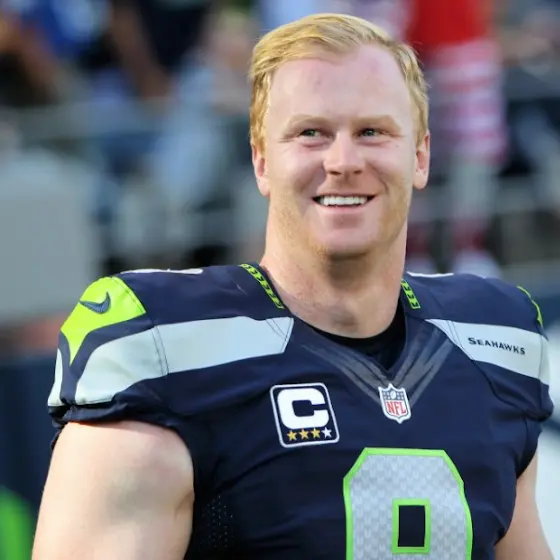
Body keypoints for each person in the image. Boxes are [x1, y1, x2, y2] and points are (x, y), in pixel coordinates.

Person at [33, 13, 554, 560]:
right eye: (311, 133)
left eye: (372, 132)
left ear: (420, 156)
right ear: (261, 160)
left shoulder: (494, 345)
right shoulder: (162, 350)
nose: (343, 161)